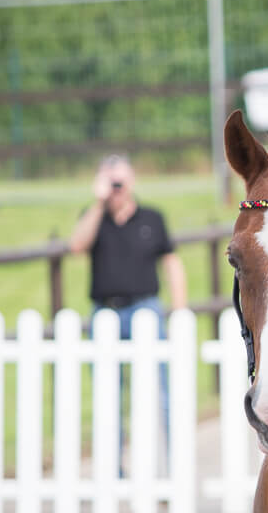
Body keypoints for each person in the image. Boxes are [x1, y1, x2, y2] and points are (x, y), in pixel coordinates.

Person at [69, 154, 187, 471]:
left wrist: (179, 311)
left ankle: (171, 467)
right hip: (104, 313)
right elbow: (77, 245)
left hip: (145, 310)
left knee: (160, 394)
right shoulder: (94, 218)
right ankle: (114, 472)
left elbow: (172, 263)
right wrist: (98, 204)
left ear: (132, 181)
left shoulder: (152, 217)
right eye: (110, 183)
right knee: (107, 396)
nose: (116, 189)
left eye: (119, 182)